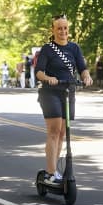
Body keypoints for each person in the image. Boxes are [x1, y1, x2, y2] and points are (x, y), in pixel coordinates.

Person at [35, 14, 93, 184]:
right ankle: (51, 173)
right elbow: (39, 71)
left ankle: (54, 172)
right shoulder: (47, 49)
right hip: (50, 92)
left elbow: (82, 68)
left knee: (62, 134)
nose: (62, 31)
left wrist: (86, 77)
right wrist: (48, 78)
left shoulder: (74, 48)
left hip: (68, 91)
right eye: (59, 28)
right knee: (54, 131)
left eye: (65, 28)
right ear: (53, 30)